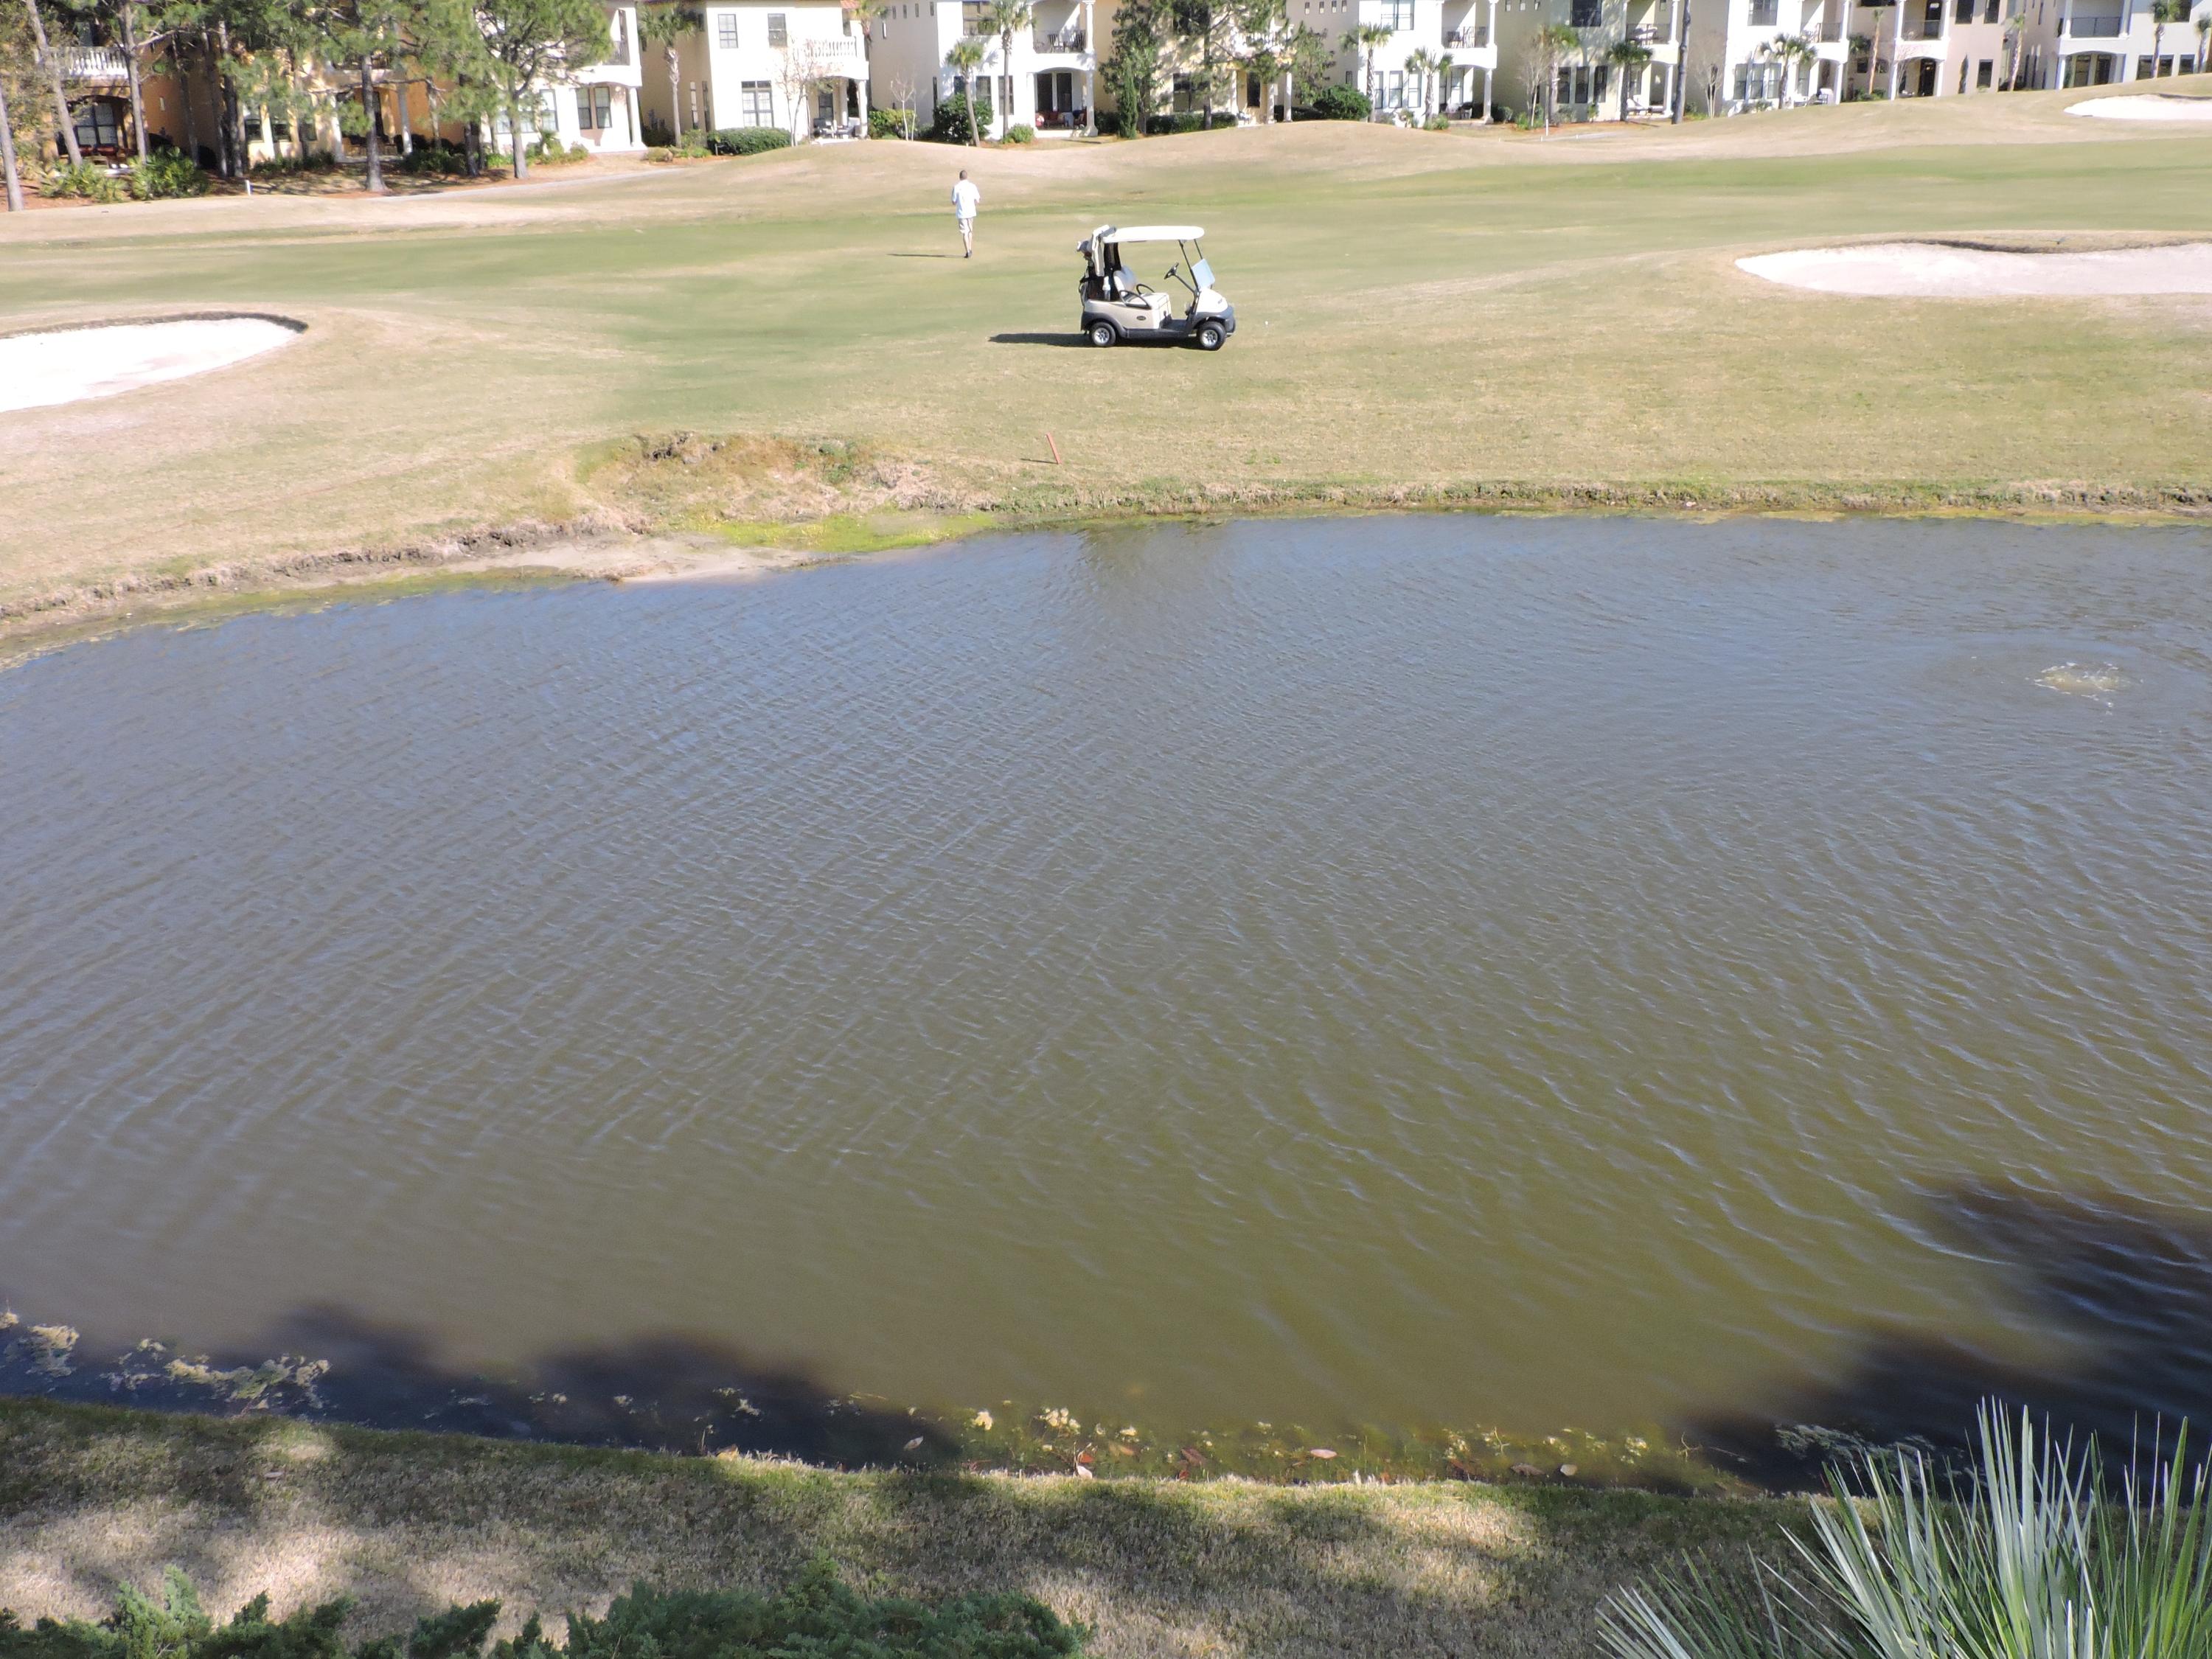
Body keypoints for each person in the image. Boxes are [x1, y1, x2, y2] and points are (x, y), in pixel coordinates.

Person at [951, 170, 981, 259]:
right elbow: (978, 200)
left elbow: (953, 201)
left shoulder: (956, 187)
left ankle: (968, 250)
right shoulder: (972, 186)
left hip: (961, 213)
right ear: (967, 177)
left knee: (965, 232)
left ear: (960, 177)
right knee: (970, 231)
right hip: (971, 212)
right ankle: (970, 248)